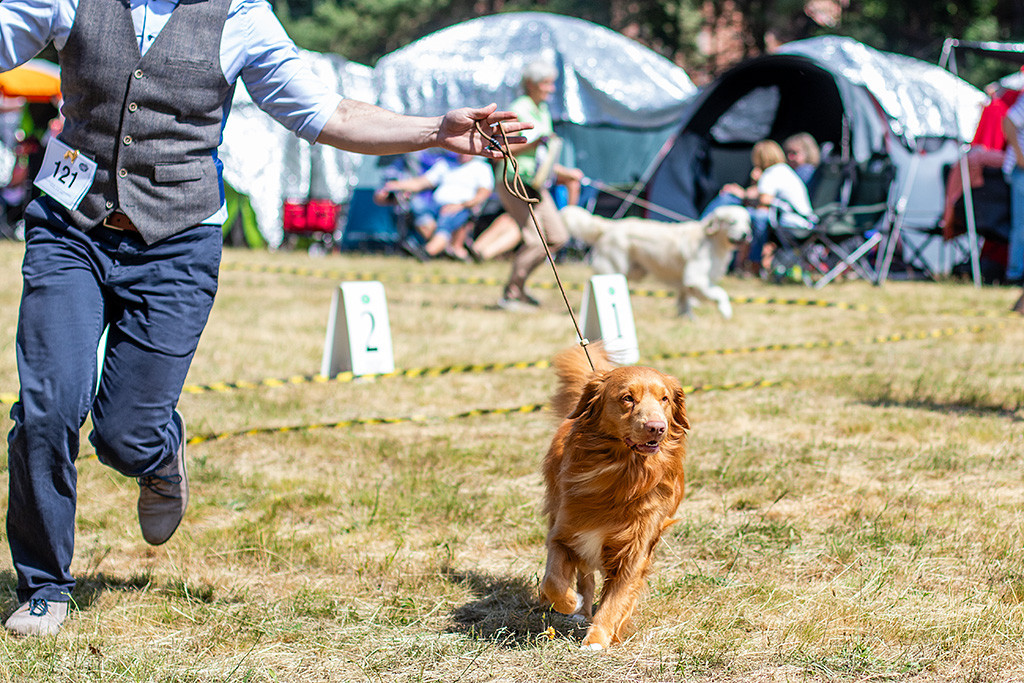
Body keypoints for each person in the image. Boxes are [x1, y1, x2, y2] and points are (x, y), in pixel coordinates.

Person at [0, 0, 528, 638]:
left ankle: (158, 449)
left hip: (175, 243)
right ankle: (45, 585)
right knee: (48, 407)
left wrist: (434, 131)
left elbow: (326, 113)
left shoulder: (240, 16)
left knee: (124, 438)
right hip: (70, 230)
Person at [495, 60, 584, 310]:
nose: (551, 89)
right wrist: (531, 143)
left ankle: (519, 287)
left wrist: (566, 173)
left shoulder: (543, 110)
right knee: (535, 241)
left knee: (558, 237)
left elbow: (542, 155)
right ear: (531, 84)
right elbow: (501, 150)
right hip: (514, 180)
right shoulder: (518, 109)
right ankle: (511, 294)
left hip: (537, 182)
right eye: (546, 83)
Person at [702, 139, 812, 276]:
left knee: (747, 216)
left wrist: (743, 193)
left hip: (791, 224)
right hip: (804, 222)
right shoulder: (784, 170)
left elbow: (764, 201)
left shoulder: (771, 173)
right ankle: (746, 263)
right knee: (750, 215)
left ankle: (750, 263)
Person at [377, 152, 494, 260]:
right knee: (416, 205)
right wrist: (396, 185)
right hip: (435, 205)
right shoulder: (445, 164)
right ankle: (442, 248)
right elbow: (421, 183)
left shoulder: (482, 168)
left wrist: (461, 205)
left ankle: (427, 252)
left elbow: (483, 194)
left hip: (461, 207)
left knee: (446, 220)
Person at [1001, 90, 1024, 287]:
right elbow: (1008, 121)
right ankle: (1015, 274)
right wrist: (1019, 154)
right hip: (1021, 169)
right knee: (1021, 225)